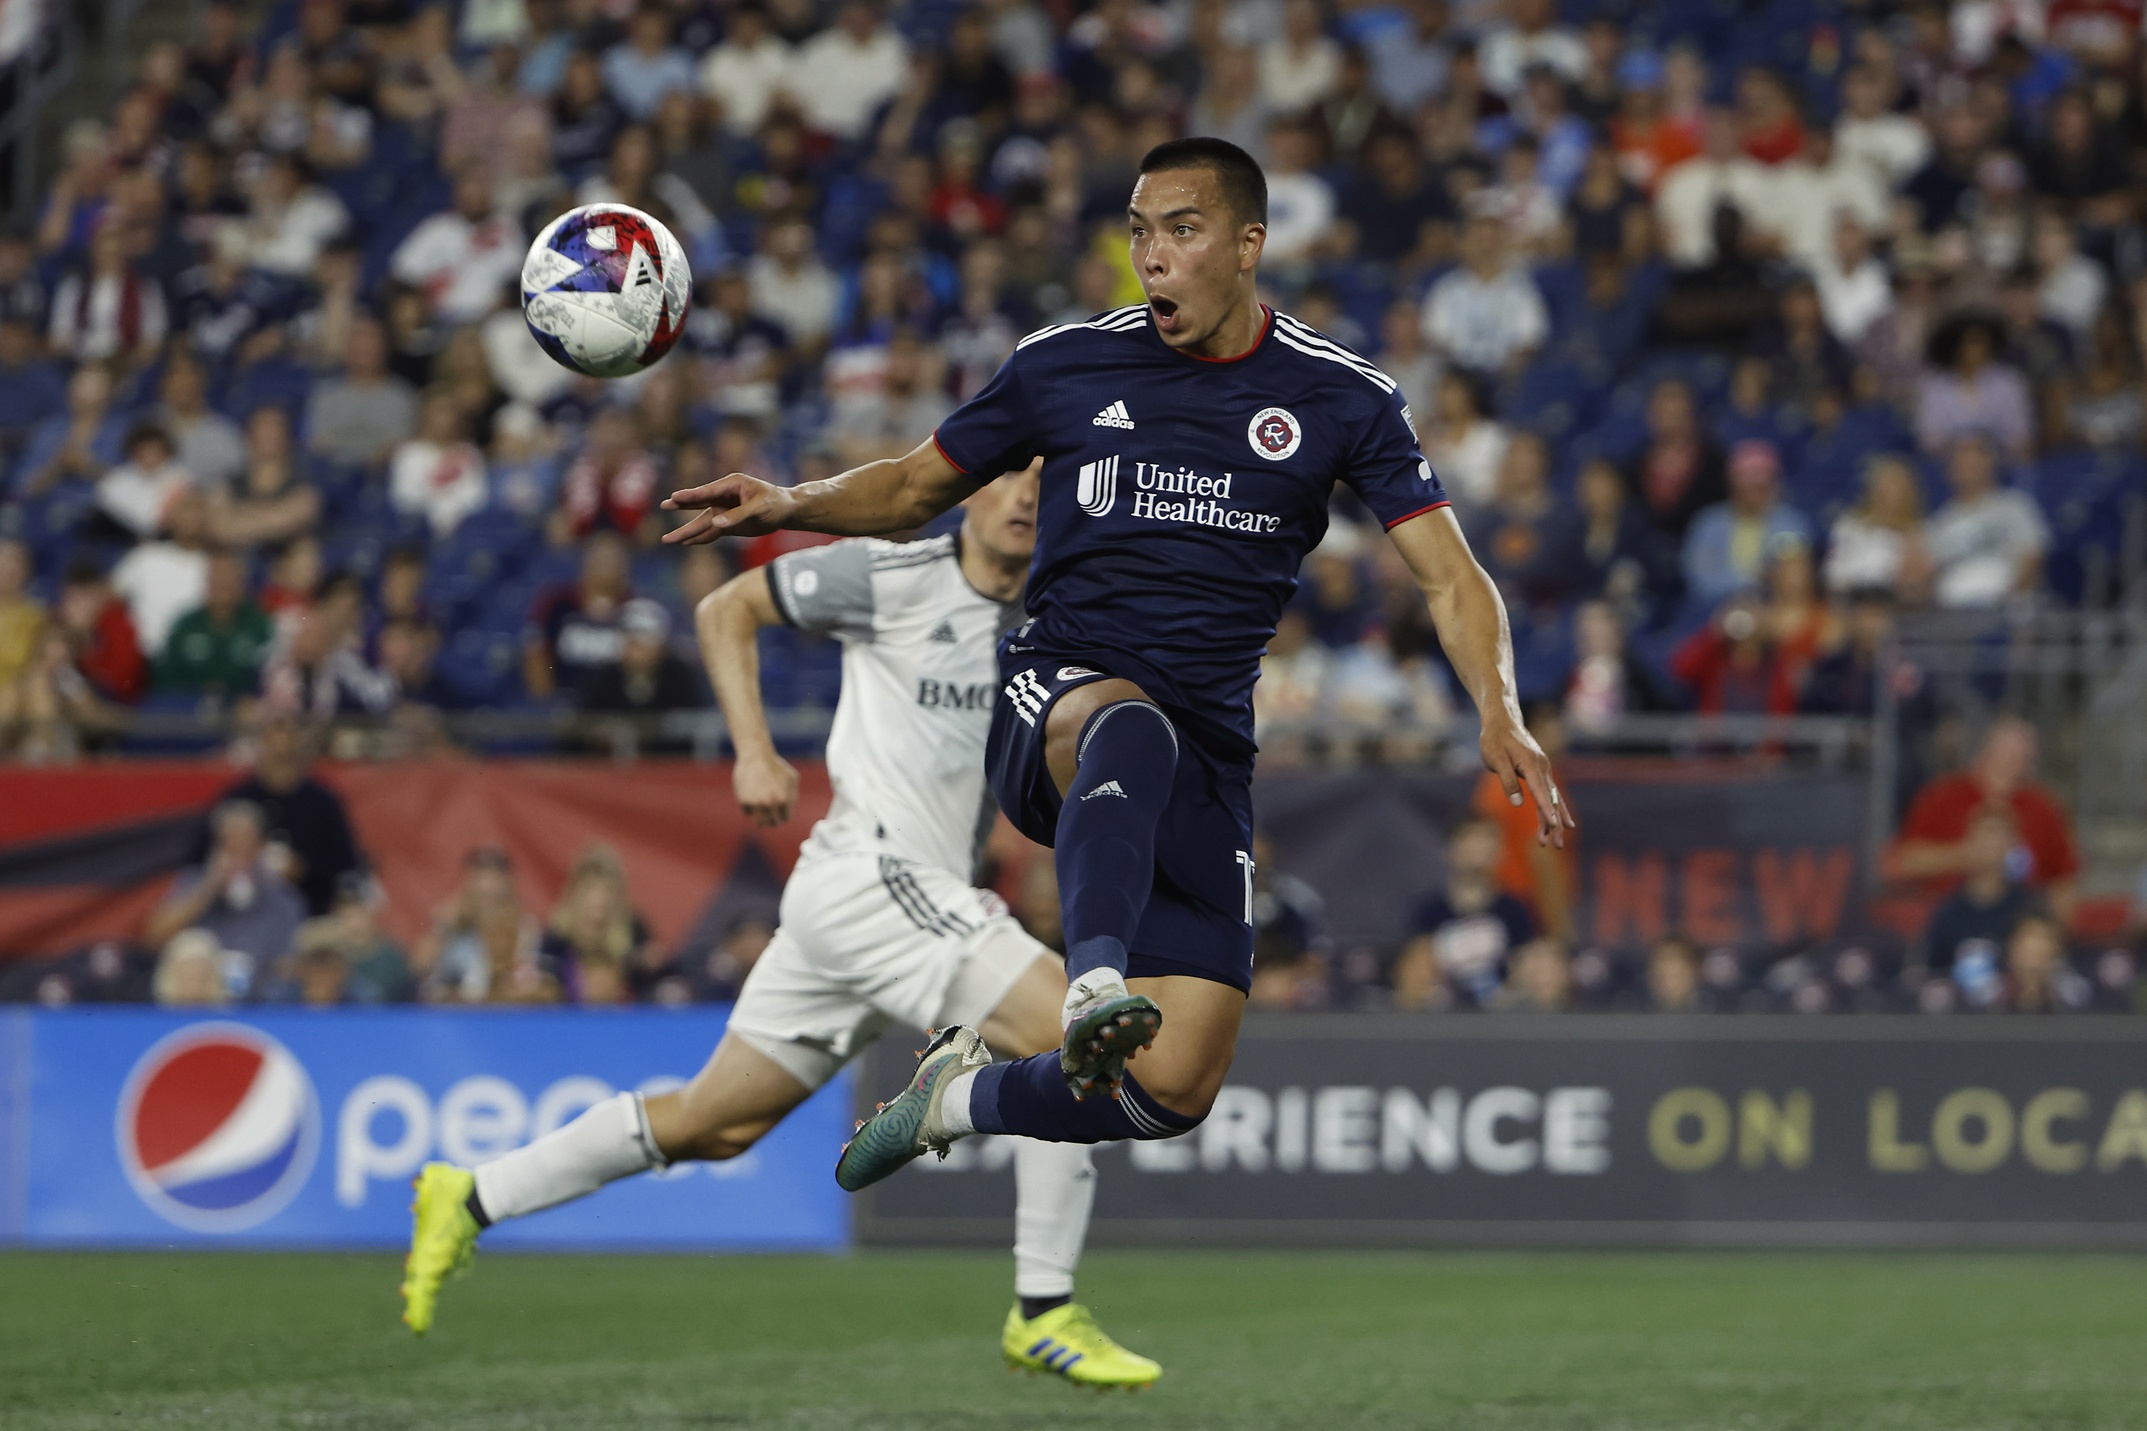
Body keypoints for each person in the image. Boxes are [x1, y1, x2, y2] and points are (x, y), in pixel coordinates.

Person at [655, 137, 1567, 1204]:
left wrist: (1498, 712)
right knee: (1129, 725)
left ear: (1246, 244)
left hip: (1209, 755)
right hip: (1059, 697)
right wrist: (789, 504)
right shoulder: (1063, 363)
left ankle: (950, 1103)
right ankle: (1089, 981)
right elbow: (912, 488)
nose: (1153, 256)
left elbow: (1452, 581)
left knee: (1173, 1087)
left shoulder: (1341, 398)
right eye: (1138, 231)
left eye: (1180, 230)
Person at [401, 461, 1162, 1388]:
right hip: (872, 876)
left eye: (1045, 484)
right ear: (966, 487)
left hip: (867, 902)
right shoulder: (887, 575)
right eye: (1007, 476)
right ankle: (1043, 1308)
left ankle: (471, 1193)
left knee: (712, 1124)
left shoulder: (1053, 619)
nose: (1021, 498)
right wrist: (754, 753)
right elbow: (727, 608)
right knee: (1070, 1034)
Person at [1888, 715, 2080, 925]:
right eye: (2008, 753)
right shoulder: (1942, 797)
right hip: (1948, 921)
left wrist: (2058, 933)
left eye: (2024, 755)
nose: (2016, 762)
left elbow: (2065, 879)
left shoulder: (2044, 807)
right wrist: (1968, 855)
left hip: (2021, 928)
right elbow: (1904, 862)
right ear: (1987, 749)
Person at [142, 799, 308, 998]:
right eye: (230, 845)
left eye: (246, 846)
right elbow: (154, 937)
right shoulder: (195, 883)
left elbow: (289, 964)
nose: (239, 857)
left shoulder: (283, 899)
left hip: (263, 1008)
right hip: (201, 1005)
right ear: (216, 848)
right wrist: (208, 888)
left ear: (260, 848)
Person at [213, 710, 365, 916]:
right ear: (260, 740)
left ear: (300, 740)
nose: (280, 742)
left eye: (287, 734)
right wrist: (248, 861)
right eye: (272, 733)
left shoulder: (322, 803)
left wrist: (304, 870)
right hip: (244, 915)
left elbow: (345, 865)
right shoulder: (238, 798)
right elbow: (205, 858)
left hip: (312, 915)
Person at [1391, 815, 1539, 1009]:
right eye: (1469, 840)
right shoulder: (1428, 912)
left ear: (1500, 852)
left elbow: (1527, 968)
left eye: (1486, 841)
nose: (1478, 849)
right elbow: (1412, 974)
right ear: (1450, 850)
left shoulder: (1515, 912)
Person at [1923, 436, 2049, 609]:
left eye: (1974, 464)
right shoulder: (1940, 522)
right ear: (1950, 471)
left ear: (1989, 466)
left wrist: (2007, 602)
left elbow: (2031, 559)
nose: (1968, 470)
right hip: (1953, 615)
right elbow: (1931, 575)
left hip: (2007, 606)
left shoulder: (2015, 507)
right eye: (1962, 464)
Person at [1919, 807, 2043, 976]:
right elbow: (1932, 974)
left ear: (2012, 844)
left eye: (1996, 836)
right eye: (1983, 835)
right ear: (1969, 841)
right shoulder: (1946, 912)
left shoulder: (2029, 909)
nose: (1989, 844)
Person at [155, 548, 273, 698]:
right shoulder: (186, 625)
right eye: (217, 579)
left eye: (229, 580)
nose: (223, 586)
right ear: (207, 583)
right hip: (190, 709)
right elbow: (166, 677)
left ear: (241, 584)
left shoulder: (259, 625)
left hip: (243, 708)